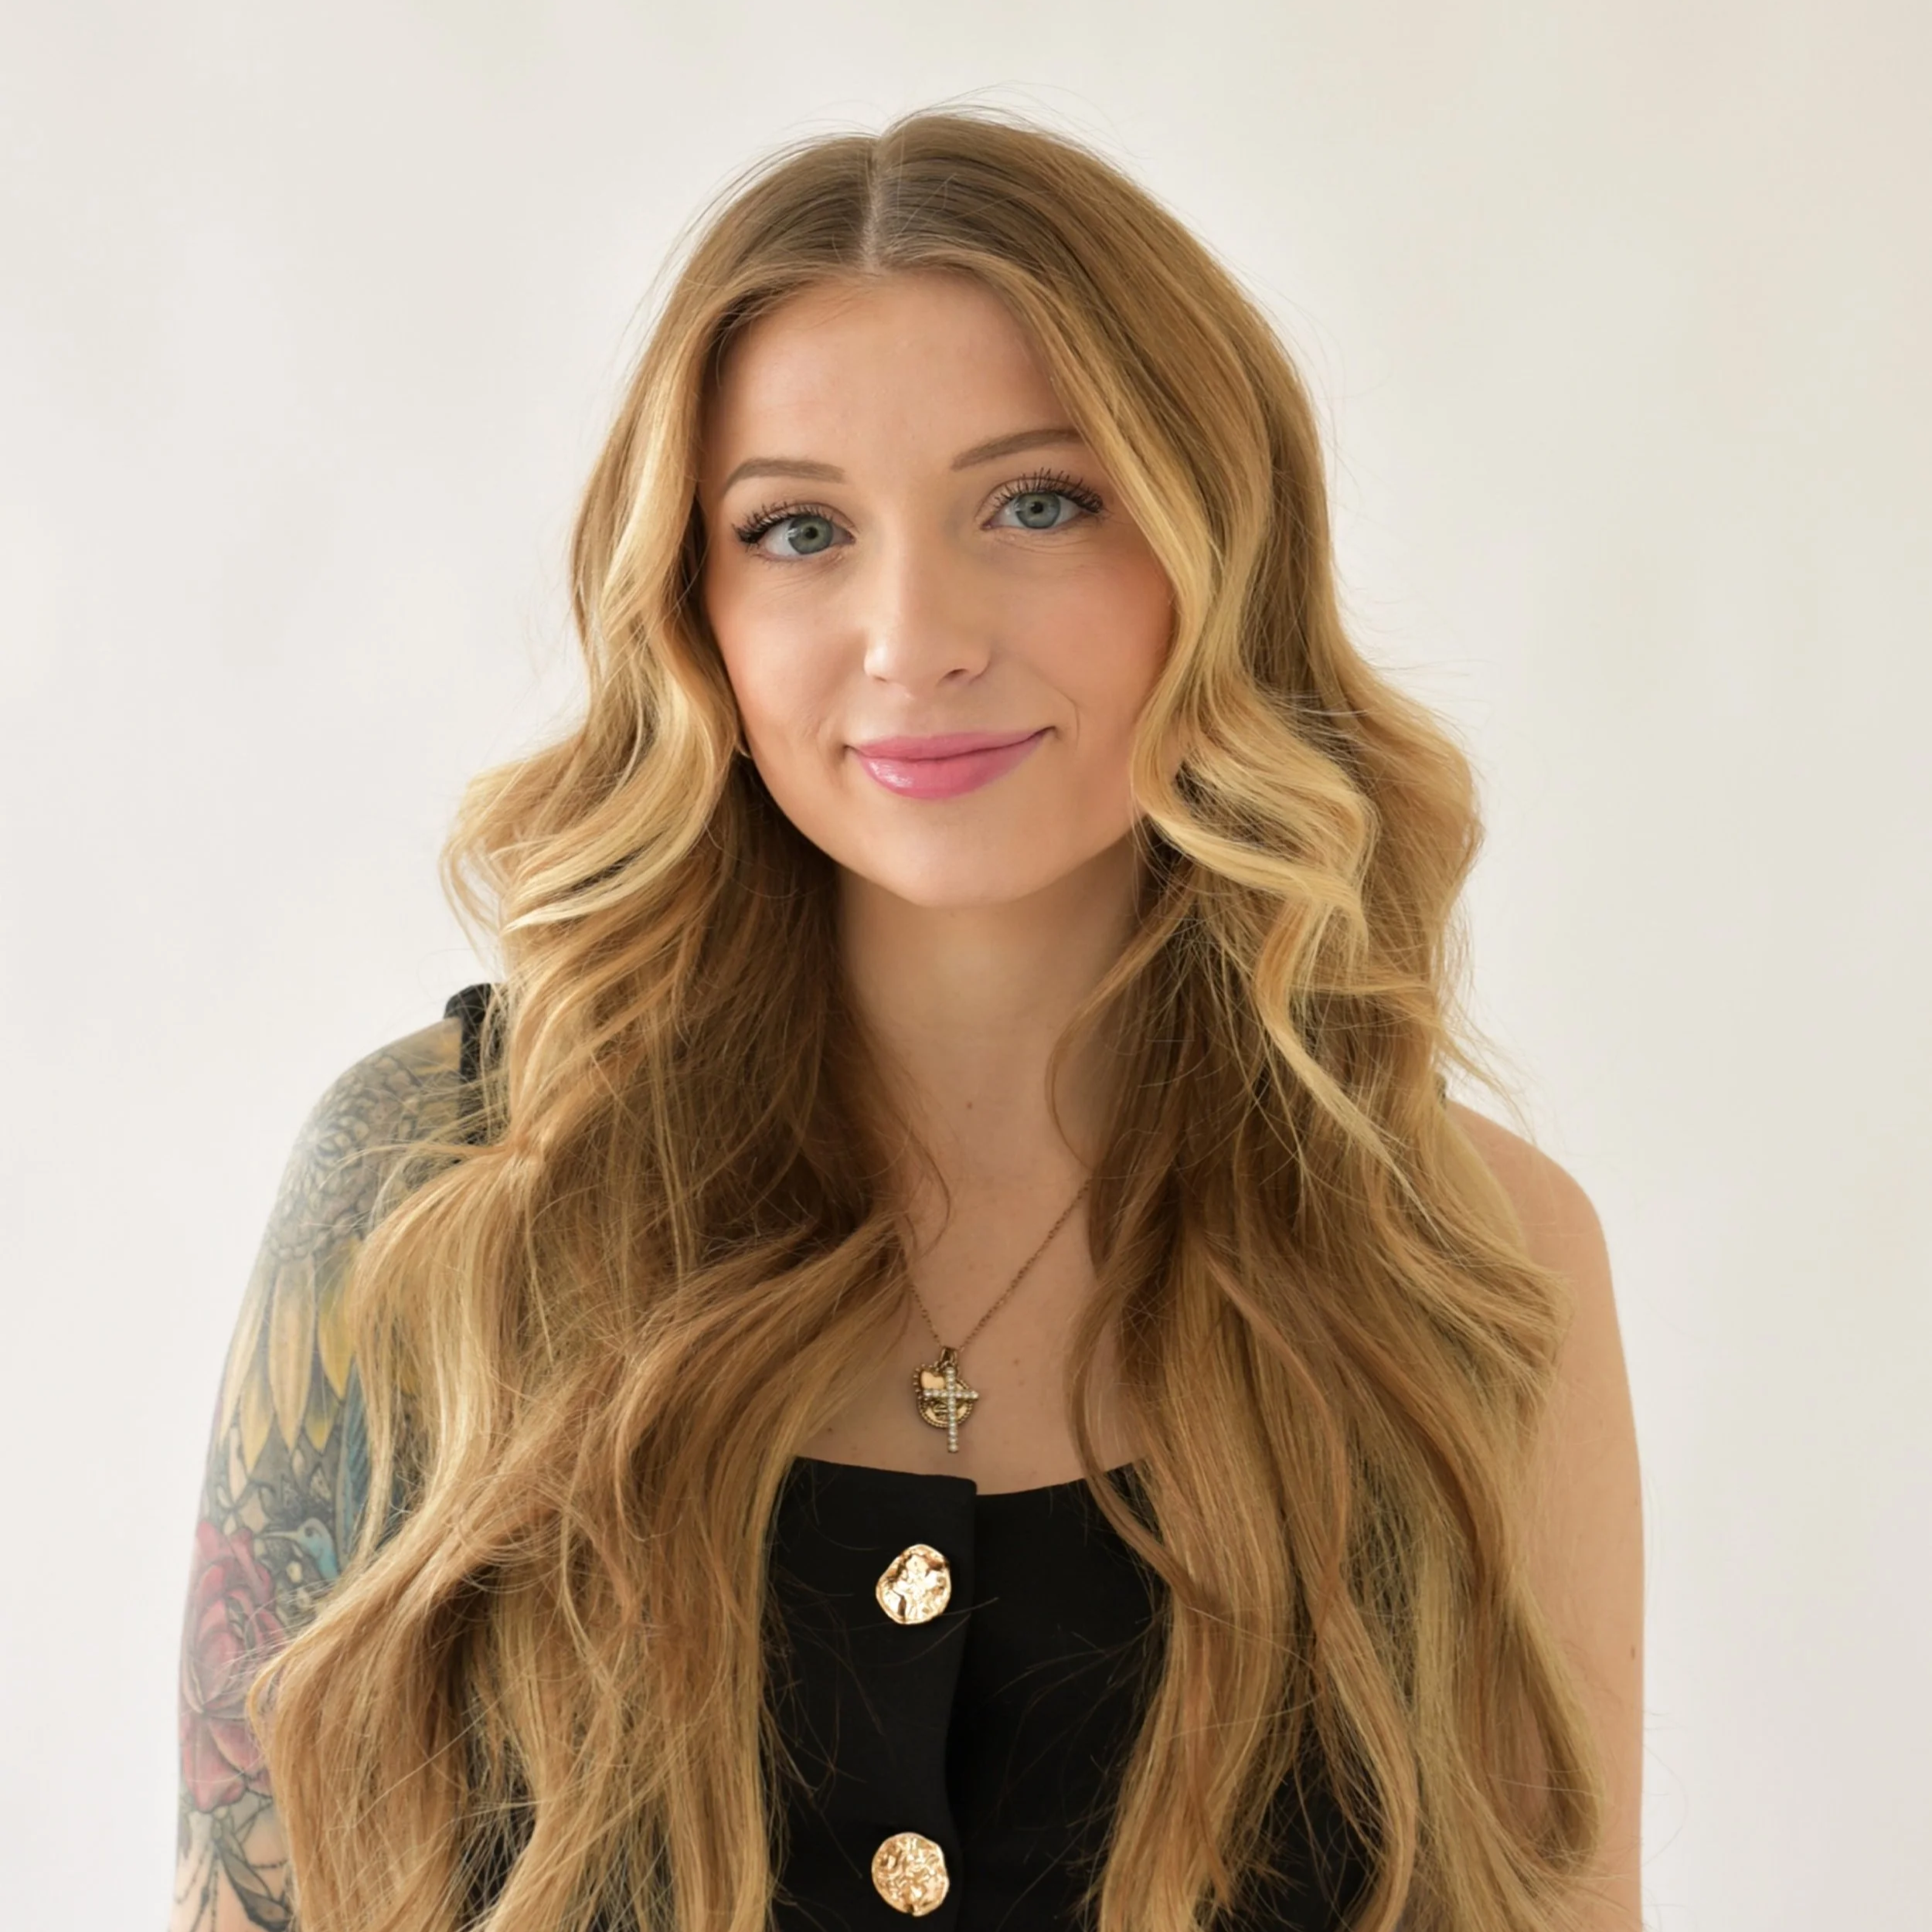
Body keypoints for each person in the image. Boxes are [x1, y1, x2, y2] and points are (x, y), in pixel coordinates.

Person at [168, 107, 1643, 1932]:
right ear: (692, 607)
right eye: (797, 529)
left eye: (1036, 503)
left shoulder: (1468, 1257)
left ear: (1217, 549)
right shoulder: (432, 1191)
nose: (912, 634)